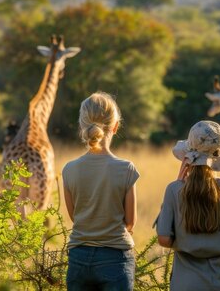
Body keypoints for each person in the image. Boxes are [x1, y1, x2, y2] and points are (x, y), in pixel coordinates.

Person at [62, 92, 139, 291]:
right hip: (116, 259)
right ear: (115, 126)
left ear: (82, 126)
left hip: (78, 258)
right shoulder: (126, 168)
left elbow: (75, 217)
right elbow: (130, 221)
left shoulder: (69, 169)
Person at [156, 120, 220, 291]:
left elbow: (164, 238)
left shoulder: (174, 190)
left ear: (188, 154)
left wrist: (177, 184)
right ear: (219, 155)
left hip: (184, 284)